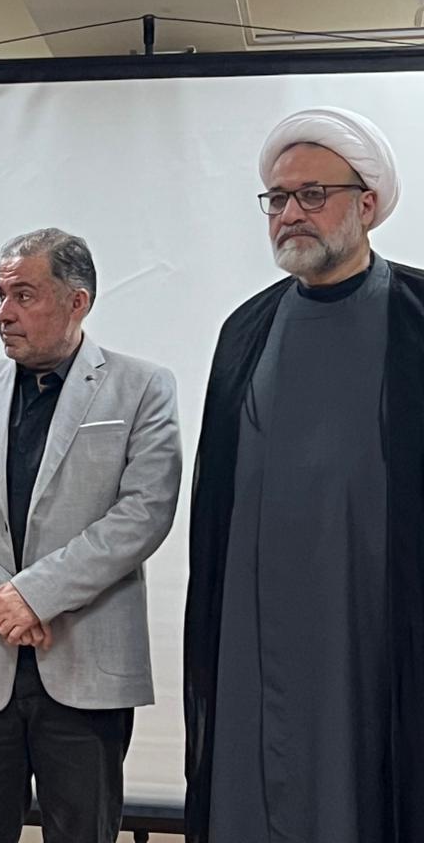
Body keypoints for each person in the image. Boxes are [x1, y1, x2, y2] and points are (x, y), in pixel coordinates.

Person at [185, 106, 424, 843]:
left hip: (379, 619)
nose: (290, 214)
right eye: (278, 199)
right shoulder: (245, 330)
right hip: (255, 629)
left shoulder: (418, 317)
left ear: (367, 204)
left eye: (313, 195)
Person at [0, 228, 181, 843]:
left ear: (77, 301)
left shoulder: (142, 387)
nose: (4, 313)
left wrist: (34, 596)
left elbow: (145, 511)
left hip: (87, 665)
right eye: (0, 295)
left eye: (24, 296)